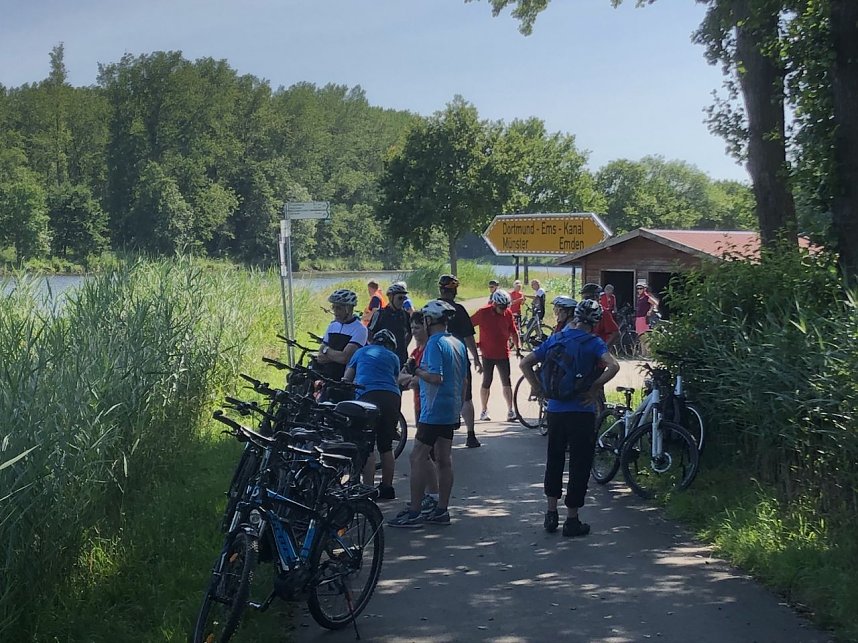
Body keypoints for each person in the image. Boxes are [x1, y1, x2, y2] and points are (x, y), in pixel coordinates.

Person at [519, 298, 619, 538]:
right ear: (595, 322)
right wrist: (594, 388)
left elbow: (525, 363)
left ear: (576, 316)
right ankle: (572, 519)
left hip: (555, 410)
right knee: (579, 463)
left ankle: (550, 513)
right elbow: (613, 366)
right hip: (581, 411)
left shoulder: (556, 338)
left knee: (554, 459)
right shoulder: (593, 342)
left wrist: (538, 388)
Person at [389, 300, 467, 528]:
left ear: (429, 320)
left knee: (417, 457)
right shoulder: (457, 343)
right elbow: (464, 380)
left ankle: (415, 512)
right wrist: (458, 409)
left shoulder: (434, 343)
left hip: (433, 410)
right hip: (450, 409)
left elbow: (435, 377)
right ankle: (442, 509)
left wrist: (417, 370)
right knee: (444, 459)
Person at [343, 329, 402, 496]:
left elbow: (347, 378)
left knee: (366, 446)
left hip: (367, 396)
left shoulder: (361, 352)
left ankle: (367, 491)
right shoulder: (394, 357)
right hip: (391, 397)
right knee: (386, 446)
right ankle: (387, 488)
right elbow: (395, 379)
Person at [398, 311, 441, 517]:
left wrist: (414, 379)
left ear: (427, 327)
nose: (415, 331)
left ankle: (431, 497)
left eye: (418, 327)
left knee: (424, 454)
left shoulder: (430, 350)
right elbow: (401, 377)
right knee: (425, 455)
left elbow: (418, 379)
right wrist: (413, 380)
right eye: (412, 328)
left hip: (430, 406)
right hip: (419, 405)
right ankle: (431, 495)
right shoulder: (415, 352)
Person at [438, 274, 483, 448]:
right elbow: (468, 337)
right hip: (459, 357)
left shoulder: (432, 308)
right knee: (466, 396)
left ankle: (438, 435)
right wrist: (476, 358)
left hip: (438, 357)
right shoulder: (459, 310)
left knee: (438, 393)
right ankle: (471, 435)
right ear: (454, 291)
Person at [470, 289, 520, 422]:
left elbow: (514, 332)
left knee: (507, 382)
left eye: (505, 307)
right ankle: (484, 410)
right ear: (495, 304)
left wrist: (518, 348)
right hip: (487, 354)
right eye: (501, 307)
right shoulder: (483, 312)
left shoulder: (508, 313)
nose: (503, 310)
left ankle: (510, 410)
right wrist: (473, 344)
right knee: (487, 381)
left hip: (503, 353)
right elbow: (468, 326)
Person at [316, 289, 368, 387]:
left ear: (349, 309)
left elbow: (345, 358)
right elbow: (320, 356)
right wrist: (336, 356)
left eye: (338, 308)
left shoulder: (360, 329)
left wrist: (326, 350)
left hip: (345, 381)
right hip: (327, 378)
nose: (335, 311)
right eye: (333, 307)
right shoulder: (332, 326)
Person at [368, 282, 412, 367]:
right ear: (391, 297)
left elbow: (410, 333)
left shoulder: (405, 315)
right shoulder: (380, 314)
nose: (402, 301)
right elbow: (369, 333)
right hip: (382, 356)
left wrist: (403, 346)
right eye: (400, 298)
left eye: (404, 298)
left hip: (400, 357)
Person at [635, 283, 659, 357]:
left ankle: (648, 354)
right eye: (638, 289)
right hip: (638, 318)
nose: (639, 290)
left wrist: (650, 311)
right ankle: (643, 354)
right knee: (641, 337)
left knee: (645, 337)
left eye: (641, 288)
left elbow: (655, 303)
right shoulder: (640, 297)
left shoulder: (646, 297)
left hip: (644, 318)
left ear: (644, 289)